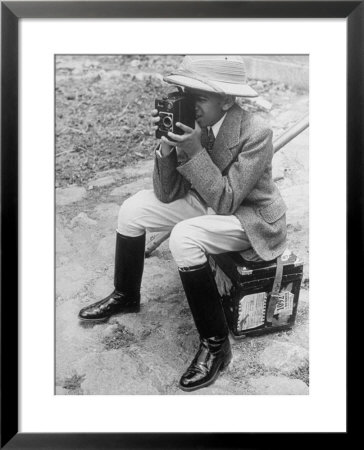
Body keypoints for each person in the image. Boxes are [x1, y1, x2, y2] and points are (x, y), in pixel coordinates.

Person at [78, 55, 287, 392]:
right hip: (208, 203)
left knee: (184, 237)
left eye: (199, 97)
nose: (190, 105)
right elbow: (166, 192)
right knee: (132, 209)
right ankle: (125, 294)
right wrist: (166, 148)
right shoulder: (191, 122)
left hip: (248, 218)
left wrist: (195, 149)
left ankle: (216, 346)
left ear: (227, 100)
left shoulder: (256, 132)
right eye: (185, 94)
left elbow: (226, 201)